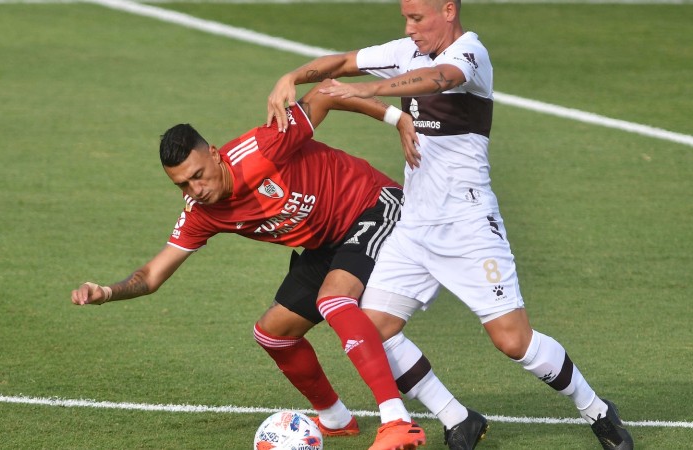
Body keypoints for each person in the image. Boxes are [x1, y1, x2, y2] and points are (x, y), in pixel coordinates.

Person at [266, 0, 634, 449]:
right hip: (414, 228)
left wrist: (371, 93)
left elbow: (443, 79)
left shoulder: (470, 54)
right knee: (369, 330)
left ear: (448, 10)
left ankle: (596, 409)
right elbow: (342, 62)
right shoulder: (406, 50)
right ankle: (457, 418)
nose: (409, 27)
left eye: (417, 18)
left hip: (468, 226)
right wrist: (294, 76)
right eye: (405, 17)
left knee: (513, 342)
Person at [70, 82, 428, 450]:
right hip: (326, 242)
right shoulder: (202, 213)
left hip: (373, 204)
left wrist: (397, 118)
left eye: (197, 175)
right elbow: (152, 276)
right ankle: (336, 418)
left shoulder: (263, 147)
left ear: (213, 154)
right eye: (182, 184)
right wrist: (107, 292)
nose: (195, 189)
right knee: (273, 333)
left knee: (334, 300)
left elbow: (324, 95)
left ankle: (397, 421)